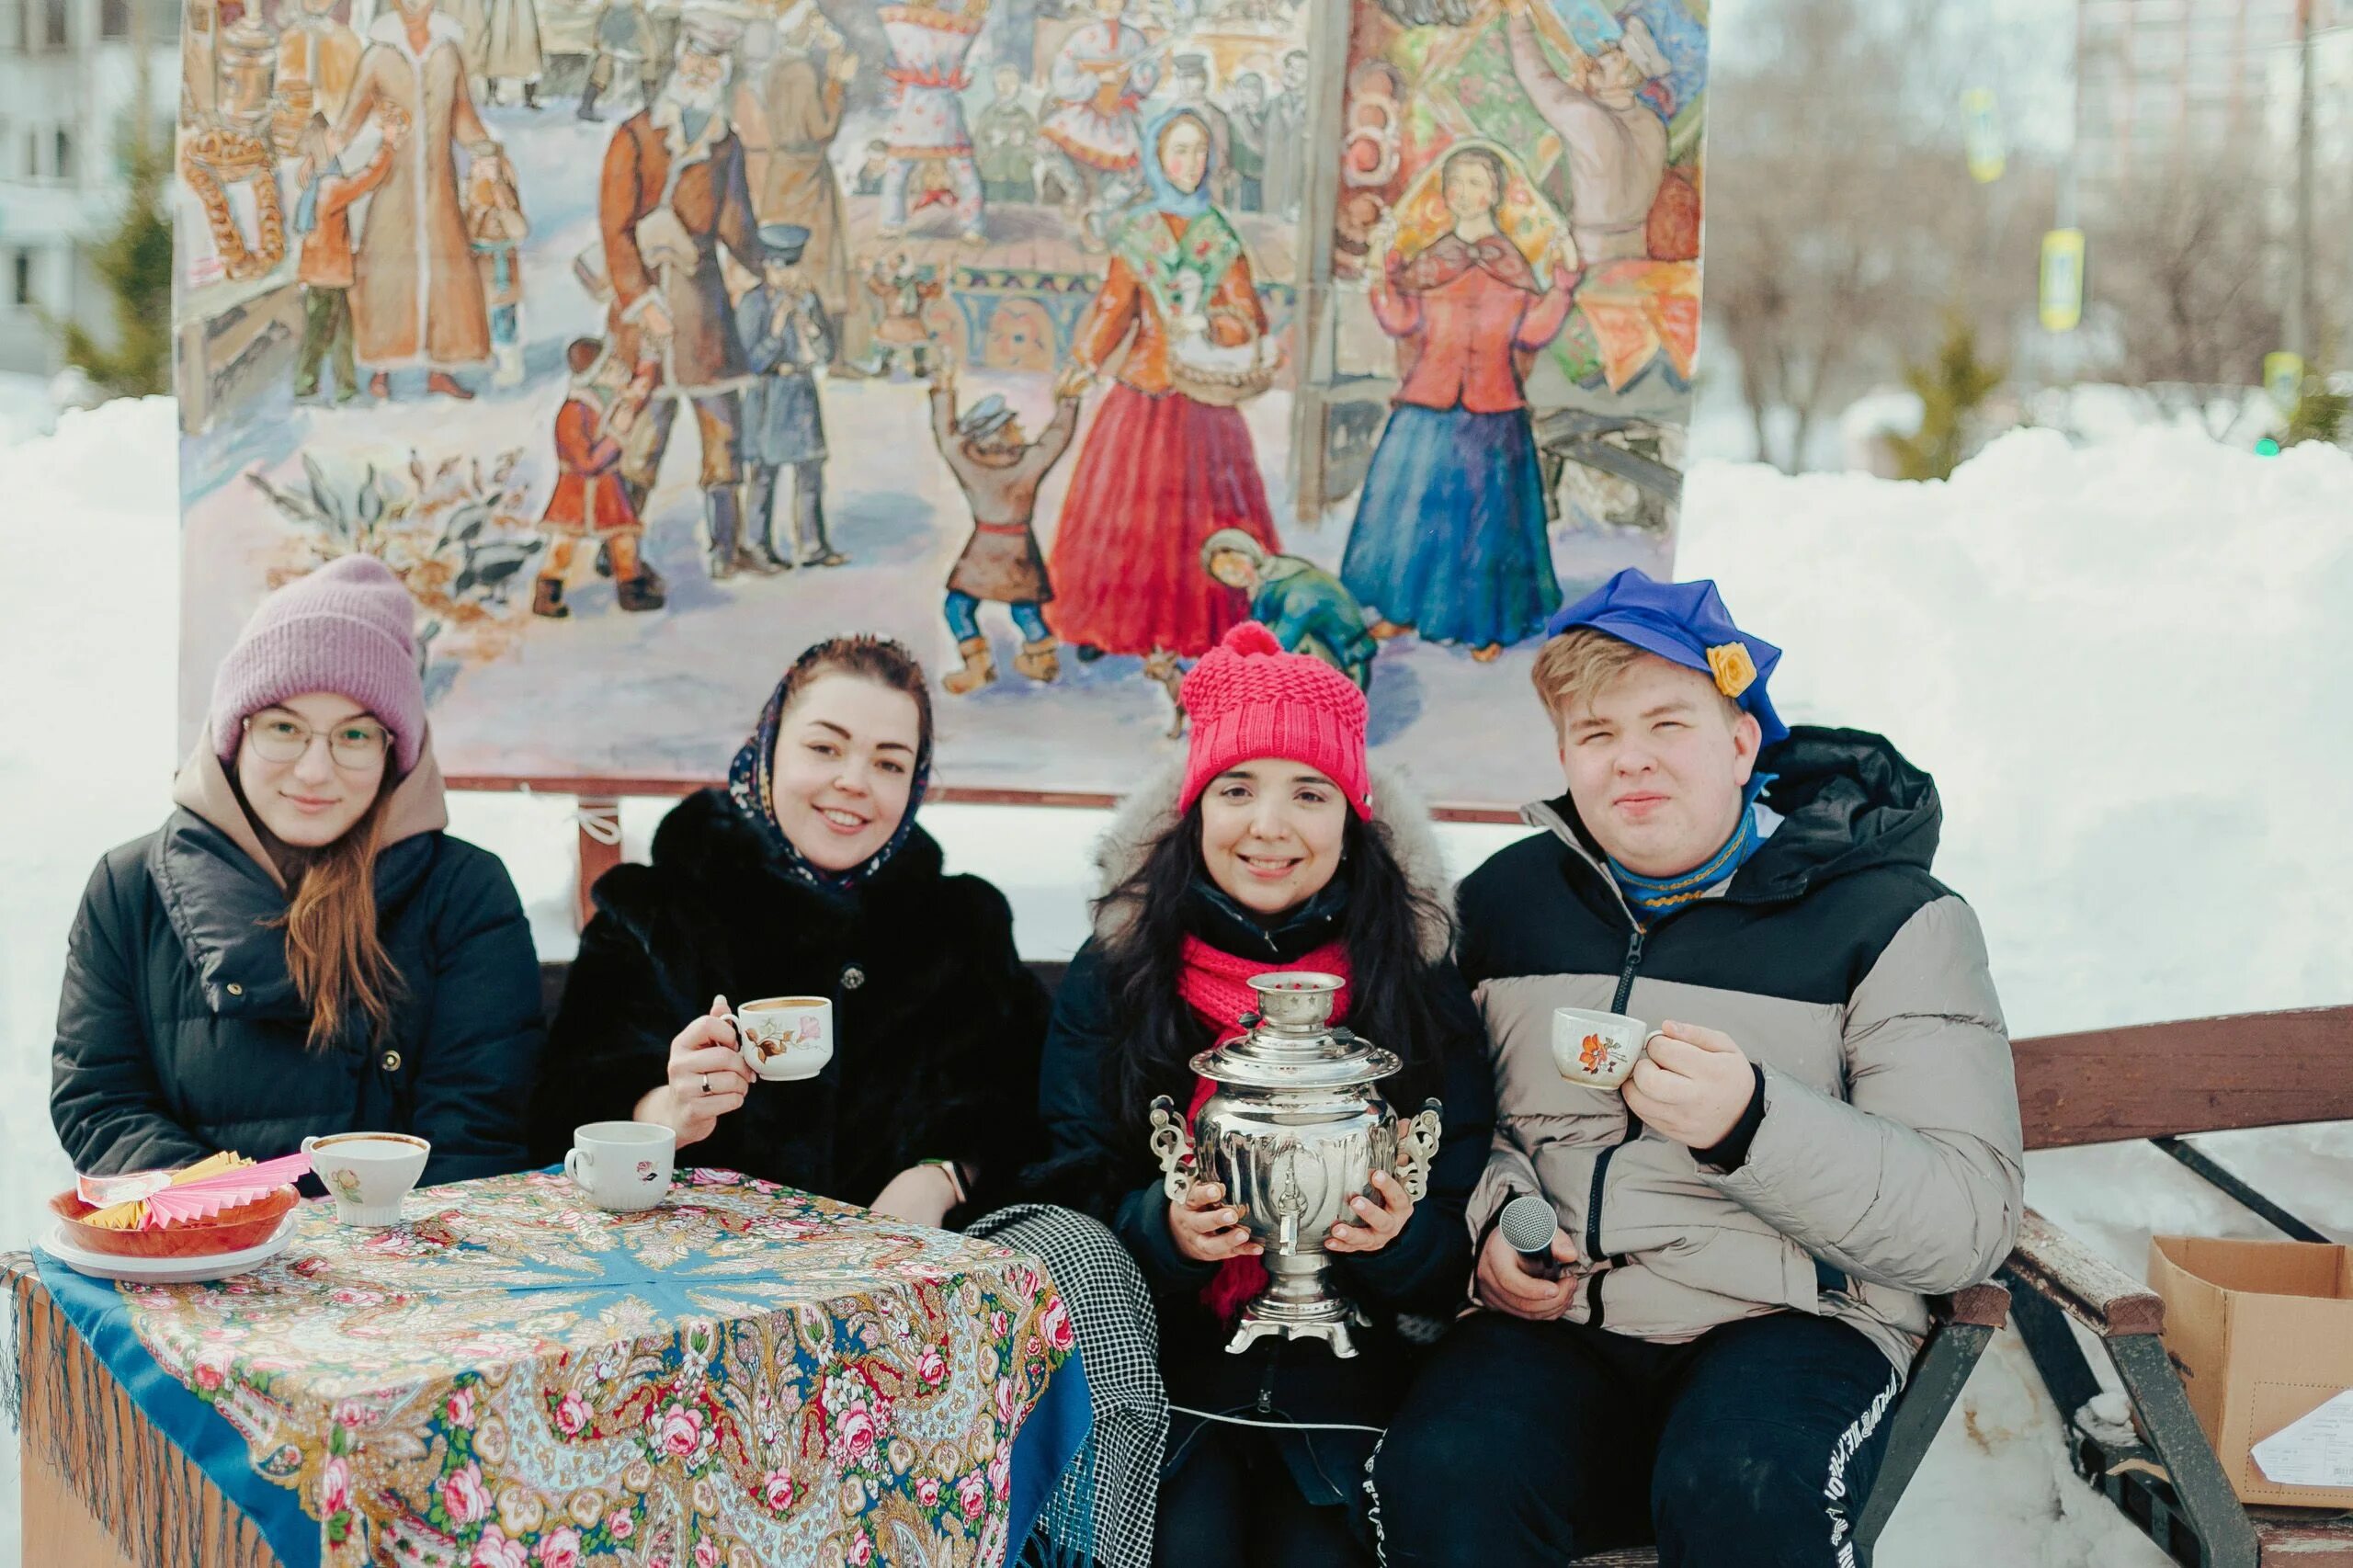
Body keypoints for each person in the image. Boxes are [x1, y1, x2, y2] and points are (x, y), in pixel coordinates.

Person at [1370, 570, 2025, 1566]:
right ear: (1563, 757)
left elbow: (1961, 1223)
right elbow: (1463, 1124)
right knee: (1445, 1468)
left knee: (1742, 1487)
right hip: (1560, 1320)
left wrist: (1753, 1122)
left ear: (1741, 741)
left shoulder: (1891, 917)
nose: (1629, 760)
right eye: (1594, 734)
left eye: (1667, 724)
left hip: (1789, 1321)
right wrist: (1495, 1227)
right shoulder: (1504, 903)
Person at [1029, 621, 1494, 1564]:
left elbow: (1463, 1233)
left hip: (1361, 1371)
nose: (1268, 826)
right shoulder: (1121, 972)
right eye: (1236, 788)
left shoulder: (1416, 984)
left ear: (1352, 817)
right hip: (1165, 1364)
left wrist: (1401, 1245)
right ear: (1195, 808)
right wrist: (1162, 1231)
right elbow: (1059, 1189)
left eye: (1308, 793)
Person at [52, 556, 544, 1186]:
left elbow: (477, 1128)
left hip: (407, 1264)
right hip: (197, 1257)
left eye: (354, 736)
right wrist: (240, 1214)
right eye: (284, 727)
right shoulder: (128, 888)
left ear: (397, 753)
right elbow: (101, 1103)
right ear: (234, 734)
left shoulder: (465, 892)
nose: (314, 770)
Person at [530, 636, 1052, 1223]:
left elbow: (1022, 1110)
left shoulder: (963, 927)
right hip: (699, 1277)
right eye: (825, 747)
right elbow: (563, 1116)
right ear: (769, 751)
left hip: (911, 1289)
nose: (855, 781)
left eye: (888, 762)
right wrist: (672, 1113)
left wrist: (940, 1178)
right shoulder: (655, 913)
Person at [1046, 110, 1280, 665]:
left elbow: (1248, 314)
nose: (1190, 164)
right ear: (1156, 158)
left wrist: (1213, 325)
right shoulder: (1138, 232)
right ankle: (1107, 623)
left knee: (1198, 513)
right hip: (1143, 387)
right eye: (1179, 151)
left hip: (1202, 398)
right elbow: (1114, 306)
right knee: (1124, 511)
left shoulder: (1220, 234)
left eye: (1199, 152)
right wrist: (1086, 359)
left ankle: (1200, 629)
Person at [1338, 145, 1581, 661]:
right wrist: (1384, 273)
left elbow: (1534, 329)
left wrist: (1563, 283)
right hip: (1429, 399)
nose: (1465, 193)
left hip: (1493, 406)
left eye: (1476, 183)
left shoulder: (1510, 260)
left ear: (1495, 192)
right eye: (1456, 183)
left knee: (1486, 518)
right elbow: (1401, 321)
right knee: (1413, 512)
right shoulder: (1431, 258)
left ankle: (1484, 625)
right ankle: (1402, 610)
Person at [596, 6, 768, 582]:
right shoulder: (635, 137)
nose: (701, 68)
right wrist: (639, 300)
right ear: (678, 60)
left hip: (704, 310)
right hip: (646, 311)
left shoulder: (726, 144)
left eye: (714, 61)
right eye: (695, 57)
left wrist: (763, 269)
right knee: (642, 434)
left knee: (723, 428)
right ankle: (615, 543)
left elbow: (736, 224)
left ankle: (727, 549)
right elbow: (614, 230)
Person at [333, 0, 503, 402]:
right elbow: (351, 117)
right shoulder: (378, 54)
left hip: (439, 187)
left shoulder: (448, 51)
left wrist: (485, 149)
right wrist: (329, 146)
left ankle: (438, 369)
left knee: (445, 275)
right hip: (393, 187)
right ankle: (381, 368)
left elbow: (462, 115)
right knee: (389, 275)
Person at [929, 354, 1082, 693]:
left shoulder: (968, 463)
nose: (1020, 429)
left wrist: (943, 393)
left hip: (982, 550)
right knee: (1025, 609)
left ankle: (977, 664)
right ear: (999, 431)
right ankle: (1042, 660)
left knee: (958, 607)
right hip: (1018, 550)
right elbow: (1056, 437)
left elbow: (946, 436)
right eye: (1013, 425)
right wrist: (1068, 402)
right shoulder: (1028, 462)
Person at [737, 2, 867, 369]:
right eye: (812, 20)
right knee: (817, 264)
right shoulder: (800, 73)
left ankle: (799, 347)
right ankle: (823, 352)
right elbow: (821, 129)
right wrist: (838, 80)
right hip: (805, 179)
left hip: (790, 176)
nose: (819, 25)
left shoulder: (782, 68)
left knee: (798, 260)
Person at [1502, 0, 1672, 266]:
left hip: (1590, 257)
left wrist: (1517, 19)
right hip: (1636, 254)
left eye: (1612, 56)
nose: (1596, 58)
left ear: (1628, 77)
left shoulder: (1588, 119)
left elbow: (1538, 78)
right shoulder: (1653, 125)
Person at [533, 335, 664, 618]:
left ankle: (631, 590)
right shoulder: (572, 412)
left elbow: (637, 395)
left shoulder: (611, 402)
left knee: (623, 537)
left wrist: (649, 358)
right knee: (564, 542)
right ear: (598, 376)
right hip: (577, 489)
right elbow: (586, 462)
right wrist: (616, 436)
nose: (622, 371)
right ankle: (546, 594)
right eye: (613, 367)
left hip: (607, 487)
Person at [735, 223, 838, 572]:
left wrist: (812, 326)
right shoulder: (753, 304)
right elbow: (749, 362)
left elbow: (827, 353)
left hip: (801, 393)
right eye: (780, 267)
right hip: (769, 397)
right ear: (766, 266)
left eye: (792, 267)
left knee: (810, 473)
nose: (787, 275)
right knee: (764, 474)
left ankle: (813, 545)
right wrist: (777, 332)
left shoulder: (808, 300)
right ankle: (755, 543)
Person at [290, 108, 399, 404]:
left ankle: (317, 384)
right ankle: (334, 386)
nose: (338, 140)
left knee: (322, 330)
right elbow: (365, 180)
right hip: (330, 273)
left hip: (319, 271)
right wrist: (387, 146)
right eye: (332, 136)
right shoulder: (330, 186)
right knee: (336, 333)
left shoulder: (319, 178)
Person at [1038, 0, 1157, 249]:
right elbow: (1061, 81)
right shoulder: (1081, 38)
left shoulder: (1135, 40)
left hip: (1117, 118)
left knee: (1139, 169)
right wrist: (1095, 79)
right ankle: (1075, 191)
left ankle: (1099, 212)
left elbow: (1146, 82)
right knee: (1046, 144)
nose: (1111, 4)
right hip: (1085, 113)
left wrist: (1138, 74)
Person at [1199, 528, 1377, 691]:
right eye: (1224, 575)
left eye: (1235, 563)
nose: (1234, 575)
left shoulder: (1299, 585)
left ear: (1250, 552)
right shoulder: (1264, 584)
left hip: (1348, 668)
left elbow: (1282, 640)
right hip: (1322, 655)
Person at [875, 0, 988, 240]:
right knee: (957, 168)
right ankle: (972, 226)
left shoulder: (903, 23)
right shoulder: (914, 24)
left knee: (901, 168)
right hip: (926, 105)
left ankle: (972, 226)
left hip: (927, 106)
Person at [974, 62, 1039, 204]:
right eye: (1001, 83)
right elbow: (977, 149)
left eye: (1012, 83)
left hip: (1021, 179)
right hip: (993, 180)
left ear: (1019, 87)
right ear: (994, 85)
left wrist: (1023, 146)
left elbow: (1036, 152)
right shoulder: (987, 116)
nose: (1006, 88)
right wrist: (992, 144)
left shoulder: (1025, 118)